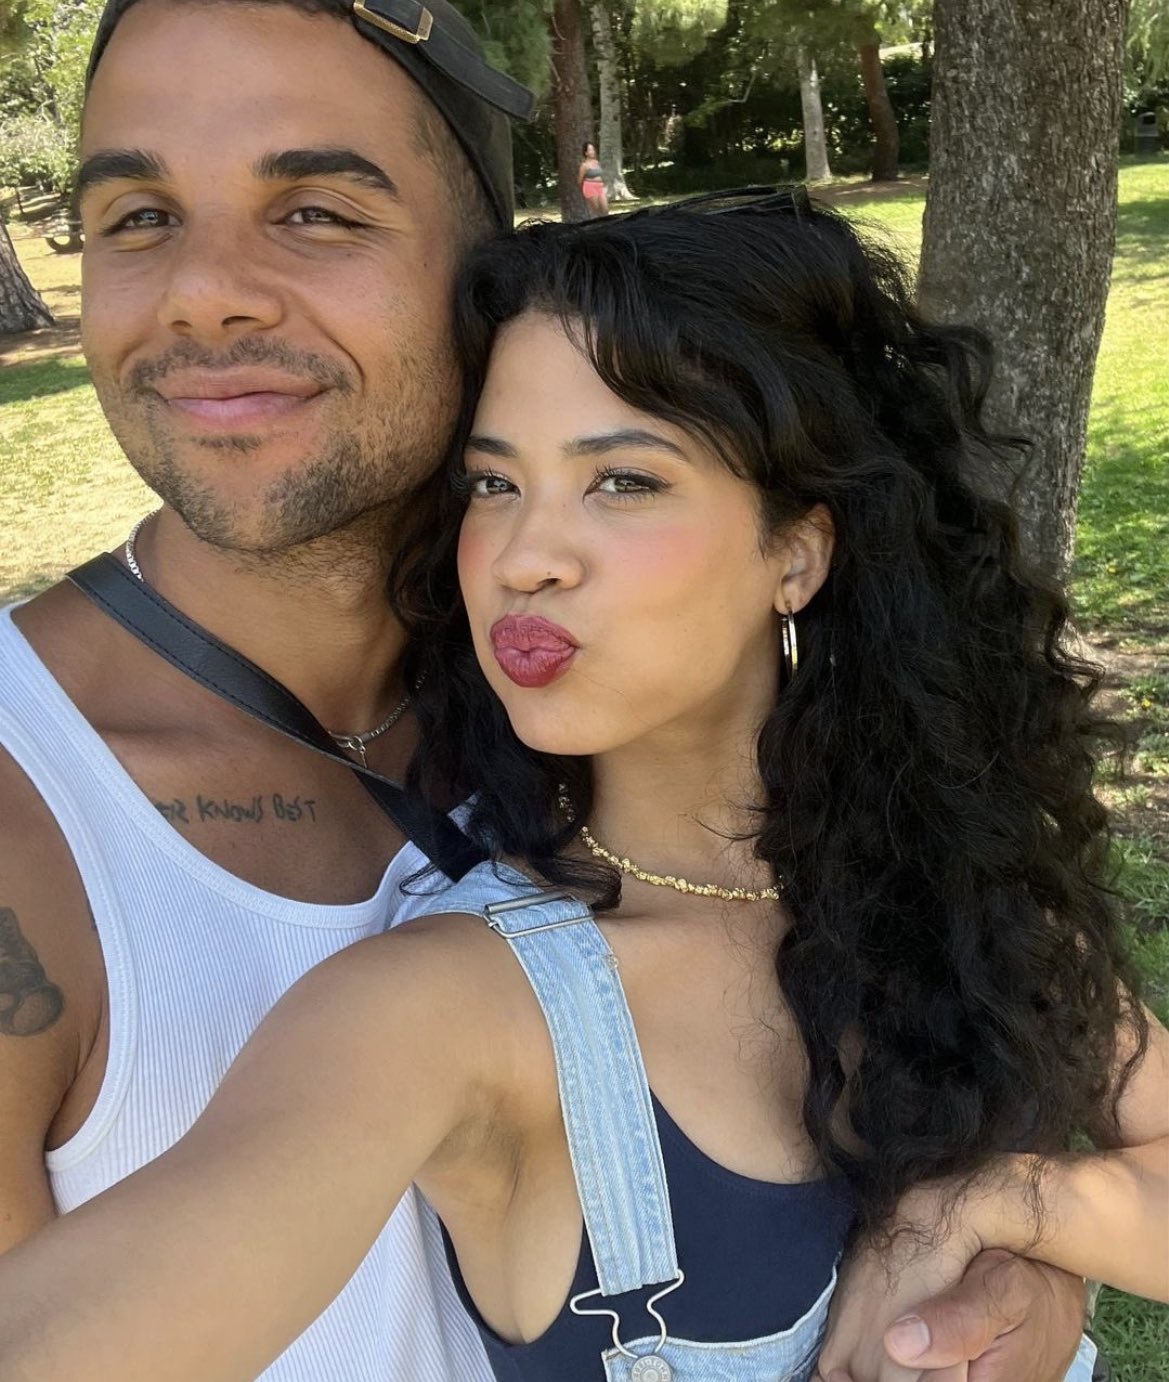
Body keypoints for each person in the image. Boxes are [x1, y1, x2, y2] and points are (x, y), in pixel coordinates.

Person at [0, 0, 1115, 1376]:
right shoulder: (39, 820)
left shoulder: (621, 724)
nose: (201, 292)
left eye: (316, 212)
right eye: (136, 217)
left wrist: (1013, 1241)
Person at [579, 140, 609, 217]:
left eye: (593, 149)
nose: (592, 152)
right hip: (590, 187)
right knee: (595, 209)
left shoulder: (597, 162)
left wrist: (604, 186)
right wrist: (584, 190)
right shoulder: (584, 165)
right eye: (590, 150)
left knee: (605, 208)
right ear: (586, 153)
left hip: (600, 186)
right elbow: (580, 180)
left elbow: (601, 176)